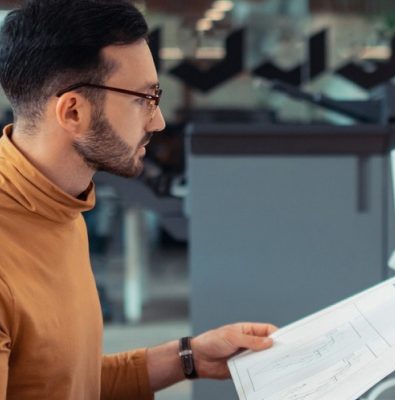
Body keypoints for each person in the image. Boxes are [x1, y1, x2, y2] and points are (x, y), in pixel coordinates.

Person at [0, 1, 276, 399]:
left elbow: (63, 383)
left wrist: (191, 357)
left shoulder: (60, 203)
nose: (158, 121)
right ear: (73, 111)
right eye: (142, 99)